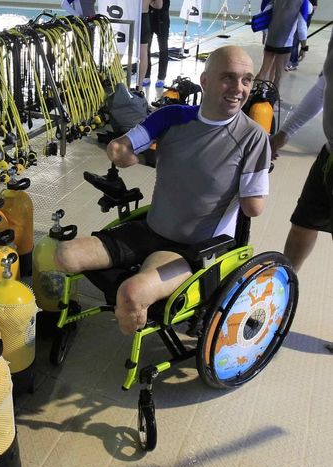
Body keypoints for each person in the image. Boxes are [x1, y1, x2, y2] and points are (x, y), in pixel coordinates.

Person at [55, 46, 270, 335]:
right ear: (205, 81)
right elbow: (121, 145)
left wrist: (254, 177)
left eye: (247, 80)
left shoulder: (253, 137)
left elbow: (253, 208)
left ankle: (131, 338)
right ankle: (130, 303)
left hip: (194, 249)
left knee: (131, 294)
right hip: (151, 229)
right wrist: (121, 152)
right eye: (228, 78)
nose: (238, 88)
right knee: (65, 254)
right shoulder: (172, 116)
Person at [275, 29, 333, 273]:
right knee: (303, 223)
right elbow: (324, 85)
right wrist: (283, 134)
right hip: (329, 156)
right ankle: (285, 288)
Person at [256, 0, 311, 89]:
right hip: (285, 44)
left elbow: (264, 13)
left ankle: (255, 96)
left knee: (263, 72)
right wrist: (304, 48)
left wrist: (265, 33)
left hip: (271, 40)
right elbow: (302, 27)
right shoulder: (303, 2)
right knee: (278, 76)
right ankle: (273, 100)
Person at [143, 0, 170, 88]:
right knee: (145, 48)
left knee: (163, 48)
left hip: (162, 18)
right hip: (149, 17)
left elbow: (159, 5)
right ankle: (146, 75)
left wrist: (148, 2)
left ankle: (161, 77)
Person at [138, 0, 163, 88]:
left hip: (127, 15)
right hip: (143, 16)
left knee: (121, 50)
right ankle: (140, 86)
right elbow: (159, 5)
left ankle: (117, 83)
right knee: (143, 53)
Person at [286, 0, 316, 71]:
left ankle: (291, 62)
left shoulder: (305, 4)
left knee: (295, 39)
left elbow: (302, 29)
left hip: (301, 14)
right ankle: (289, 62)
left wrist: (304, 48)